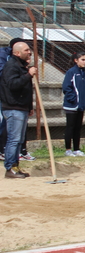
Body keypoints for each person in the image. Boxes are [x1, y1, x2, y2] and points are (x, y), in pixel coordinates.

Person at [0, 41, 35, 178]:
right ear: (17, 53)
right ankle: (9, 169)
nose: (29, 52)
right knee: (13, 140)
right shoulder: (11, 66)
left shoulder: (22, 66)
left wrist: (29, 107)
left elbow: (26, 89)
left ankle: (15, 166)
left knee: (19, 140)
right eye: (26, 50)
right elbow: (13, 85)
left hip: (22, 107)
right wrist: (28, 75)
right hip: (13, 108)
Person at [62, 51, 85, 157]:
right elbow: (66, 87)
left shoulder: (84, 73)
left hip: (81, 105)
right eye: (83, 60)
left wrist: (84, 100)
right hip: (71, 105)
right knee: (70, 127)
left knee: (78, 128)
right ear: (76, 60)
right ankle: (68, 149)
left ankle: (76, 149)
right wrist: (73, 99)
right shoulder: (71, 72)